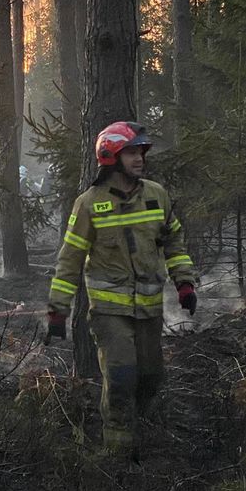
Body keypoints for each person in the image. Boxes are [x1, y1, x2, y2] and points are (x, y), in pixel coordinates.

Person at [45, 121, 198, 456]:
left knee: (151, 376)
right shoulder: (89, 203)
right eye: (131, 152)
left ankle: (137, 431)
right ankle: (116, 459)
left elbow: (174, 241)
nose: (139, 158)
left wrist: (184, 282)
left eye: (141, 151)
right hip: (109, 312)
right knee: (121, 376)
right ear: (110, 155)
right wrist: (58, 309)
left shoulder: (156, 195)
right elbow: (69, 259)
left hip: (149, 307)